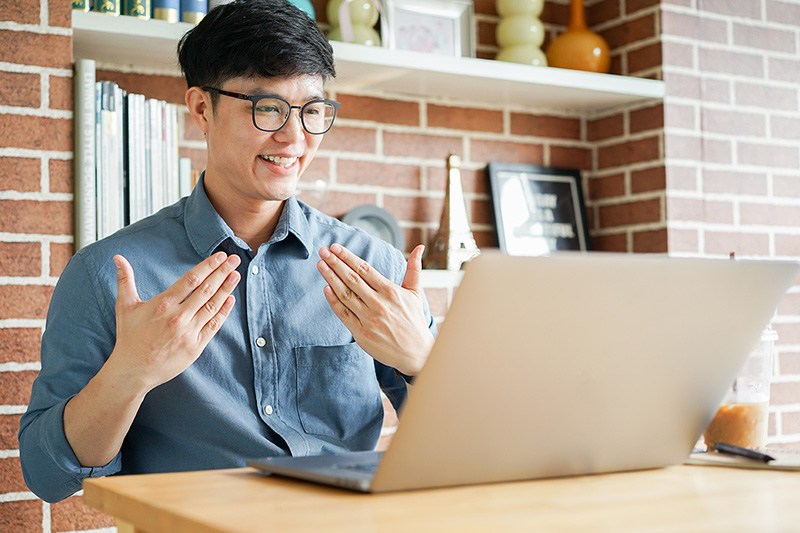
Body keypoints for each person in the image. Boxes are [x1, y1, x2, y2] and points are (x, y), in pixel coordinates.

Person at [19, 0, 436, 504]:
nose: (294, 136)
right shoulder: (108, 275)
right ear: (201, 108)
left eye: (312, 110)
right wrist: (129, 373)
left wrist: (422, 361)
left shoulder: (375, 268)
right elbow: (47, 476)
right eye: (267, 108)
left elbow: (471, 448)